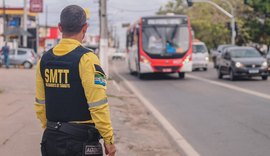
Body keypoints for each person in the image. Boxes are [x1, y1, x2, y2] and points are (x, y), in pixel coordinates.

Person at [34, 5, 116, 156]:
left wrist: (52, 128)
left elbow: (40, 104)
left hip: (51, 139)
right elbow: (98, 105)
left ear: (59, 27)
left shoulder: (44, 60)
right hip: (80, 142)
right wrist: (108, 139)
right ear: (85, 28)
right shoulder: (87, 59)